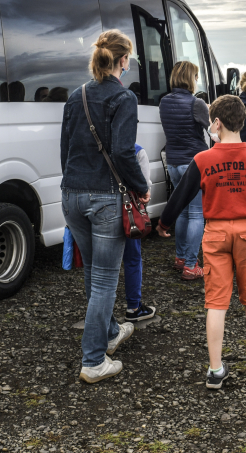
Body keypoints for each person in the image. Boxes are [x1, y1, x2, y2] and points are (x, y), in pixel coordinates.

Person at [158, 94, 246, 389]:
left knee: (216, 302)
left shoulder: (203, 159)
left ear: (216, 122)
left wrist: (164, 222)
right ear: (242, 122)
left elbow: (181, 194)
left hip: (216, 234)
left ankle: (215, 369)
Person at [60, 29, 151, 384]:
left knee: (92, 271)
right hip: (106, 198)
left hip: (73, 194)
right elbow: (123, 152)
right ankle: (93, 360)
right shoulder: (124, 98)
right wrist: (140, 188)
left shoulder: (75, 96)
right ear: (123, 61)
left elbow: (66, 150)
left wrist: (71, 185)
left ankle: (111, 332)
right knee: (103, 280)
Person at [158, 61, 210, 280]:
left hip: (173, 161)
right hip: (193, 163)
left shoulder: (164, 102)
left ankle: (180, 258)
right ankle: (191, 265)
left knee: (181, 210)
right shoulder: (196, 103)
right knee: (197, 214)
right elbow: (212, 130)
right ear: (191, 78)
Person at [122, 143, 157, 321]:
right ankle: (133, 308)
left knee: (101, 267)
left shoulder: (94, 146)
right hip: (127, 212)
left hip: (101, 211)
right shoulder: (136, 150)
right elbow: (144, 186)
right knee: (132, 258)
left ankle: (100, 316)